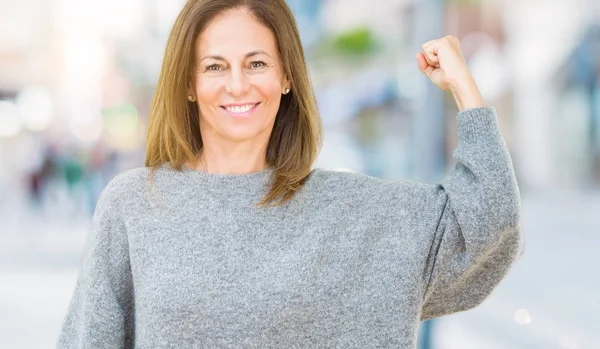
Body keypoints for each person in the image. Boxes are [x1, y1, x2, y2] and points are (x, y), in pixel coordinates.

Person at [57, 0, 523, 348]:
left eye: (256, 63)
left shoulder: (356, 214)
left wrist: (465, 90)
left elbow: (485, 227)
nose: (237, 84)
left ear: (286, 77)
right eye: (215, 66)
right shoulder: (135, 205)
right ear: (189, 85)